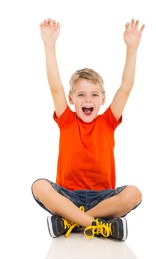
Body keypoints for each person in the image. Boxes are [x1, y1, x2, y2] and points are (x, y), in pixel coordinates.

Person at [32, 18, 145, 240]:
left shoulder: (108, 121)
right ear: (71, 99)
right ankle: (99, 225)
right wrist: (49, 45)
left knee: (134, 193)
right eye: (81, 95)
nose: (88, 100)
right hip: (68, 196)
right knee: (39, 187)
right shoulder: (67, 120)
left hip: (104, 199)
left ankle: (71, 222)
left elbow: (125, 87)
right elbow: (55, 87)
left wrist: (132, 49)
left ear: (103, 99)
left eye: (94, 95)